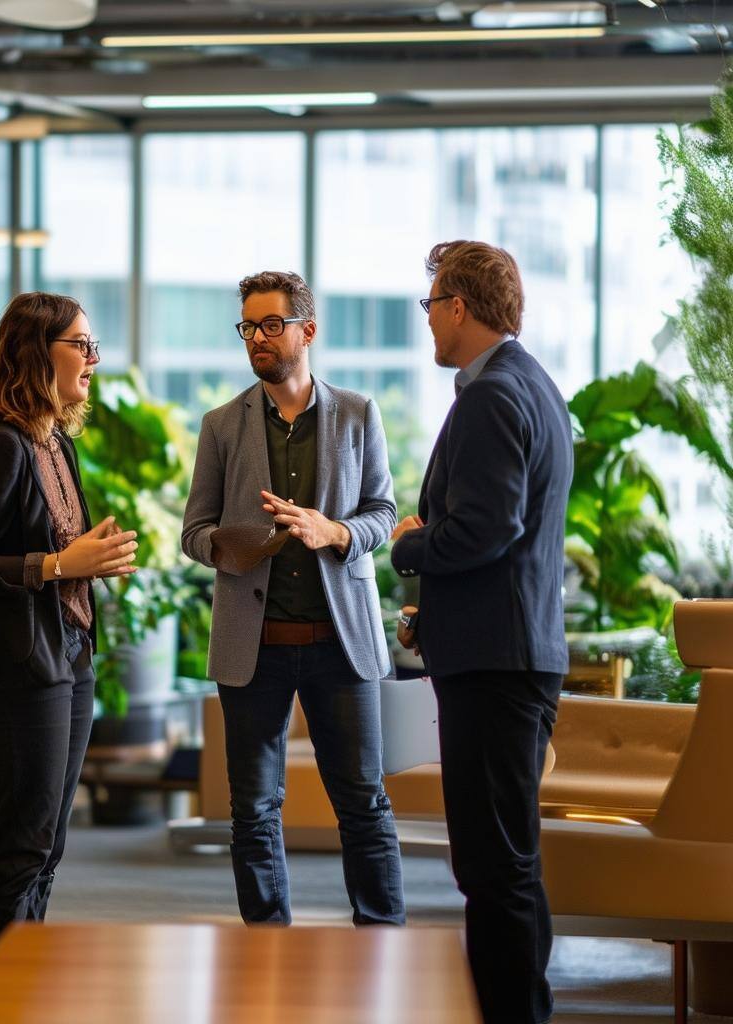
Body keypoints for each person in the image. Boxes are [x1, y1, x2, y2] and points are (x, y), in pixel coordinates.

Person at [182, 270, 405, 927]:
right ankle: (266, 946)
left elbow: (384, 513)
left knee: (363, 800)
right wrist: (239, 544)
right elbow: (194, 533)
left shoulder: (359, 413)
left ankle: (382, 940)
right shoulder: (222, 427)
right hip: (256, 650)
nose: (258, 338)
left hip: (342, 644)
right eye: (249, 326)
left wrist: (332, 531)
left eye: (272, 325)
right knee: (251, 808)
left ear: (307, 331)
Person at [391, 241, 573, 1024]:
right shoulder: (532, 384)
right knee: (506, 867)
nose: (428, 319)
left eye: (431, 304)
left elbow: (485, 530)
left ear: (459, 306)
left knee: (494, 871)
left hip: (498, 668)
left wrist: (409, 544)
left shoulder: (494, 395)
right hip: (510, 655)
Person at [0, 291, 139, 973]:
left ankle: (16, 994)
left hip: (67, 659)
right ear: (37, 353)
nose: (93, 358)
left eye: (93, 345)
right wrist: (61, 563)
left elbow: (54, 548)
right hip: (16, 676)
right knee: (19, 851)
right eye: (80, 345)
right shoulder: (0, 443)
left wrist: (87, 560)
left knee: (47, 848)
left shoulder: (54, 439)